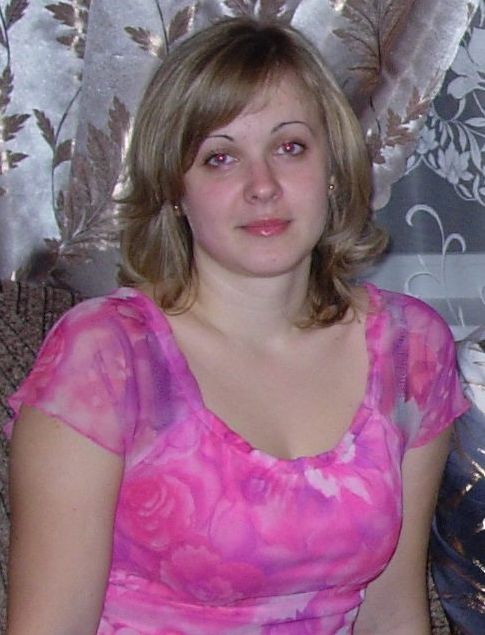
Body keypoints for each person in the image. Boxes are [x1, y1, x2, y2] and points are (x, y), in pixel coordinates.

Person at [4, 16, 468, 635]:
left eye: (290, 147)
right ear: (175, 189)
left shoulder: (410, 350)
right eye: (220, 158)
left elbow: (392, 612)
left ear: (333, 166)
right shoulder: (106, 357)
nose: (263, 186)